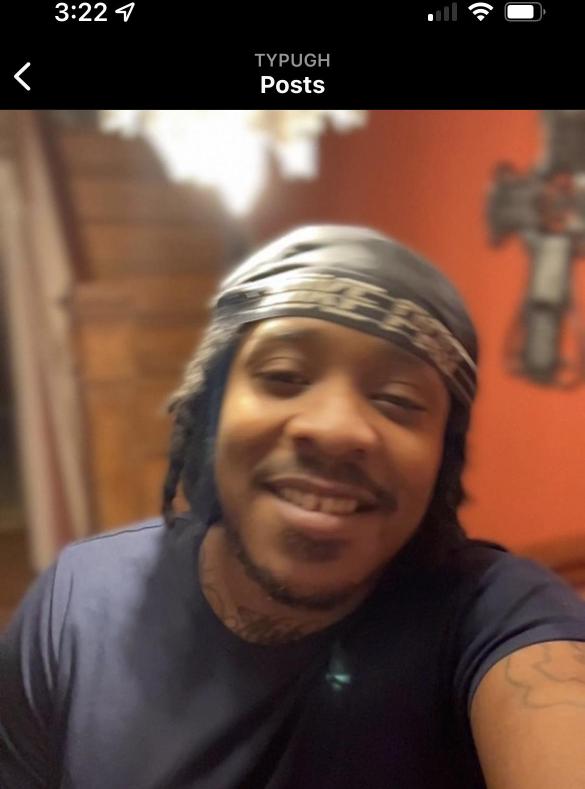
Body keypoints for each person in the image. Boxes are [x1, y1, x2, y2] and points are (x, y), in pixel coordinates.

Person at [2, 225, 585, 789]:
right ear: (211, 412)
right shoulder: (78, 603)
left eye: (398, 400)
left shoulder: (496, 613)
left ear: (442, 459)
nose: (334, 429)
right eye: (283, 375)